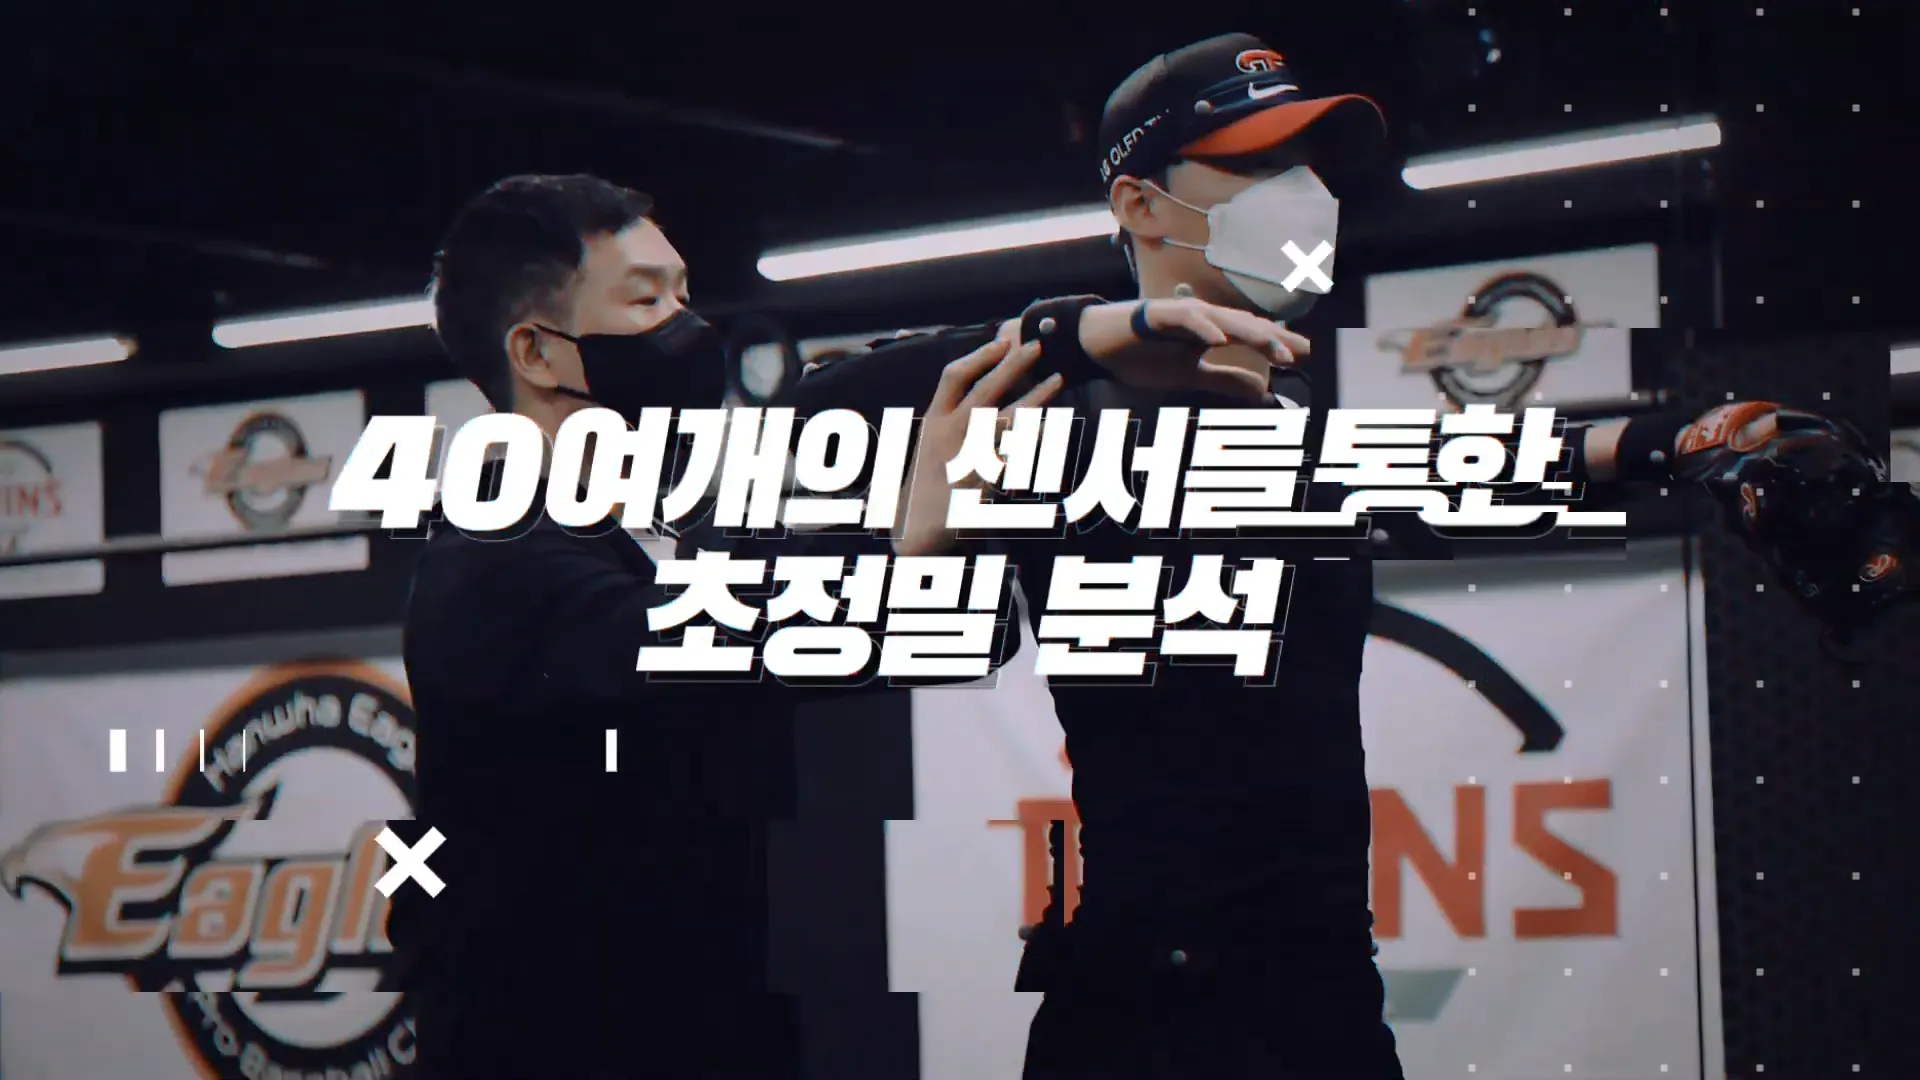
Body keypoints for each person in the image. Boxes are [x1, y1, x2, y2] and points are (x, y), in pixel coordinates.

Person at [786, 32, 1907, 1079]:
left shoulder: (1303, 421)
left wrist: (1687, 440)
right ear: (1140, 202)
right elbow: (824, 397)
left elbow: (1440, 470)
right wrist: (1092, 331)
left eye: (1309, 164)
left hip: (1322, 994)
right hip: (1141, 1008)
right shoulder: (1046, 412)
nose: (1305, 194)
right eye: (1258, 165)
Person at [397, 173, 1302, 1079]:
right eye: (645, 302)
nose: (687, 327)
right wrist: (912, 543)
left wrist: (1084, 337)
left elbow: (862, 418)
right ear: (536, 351)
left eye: (683, 293)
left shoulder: (671, 526)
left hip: (716, 1028)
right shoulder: (489, 566)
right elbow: (701, 641)